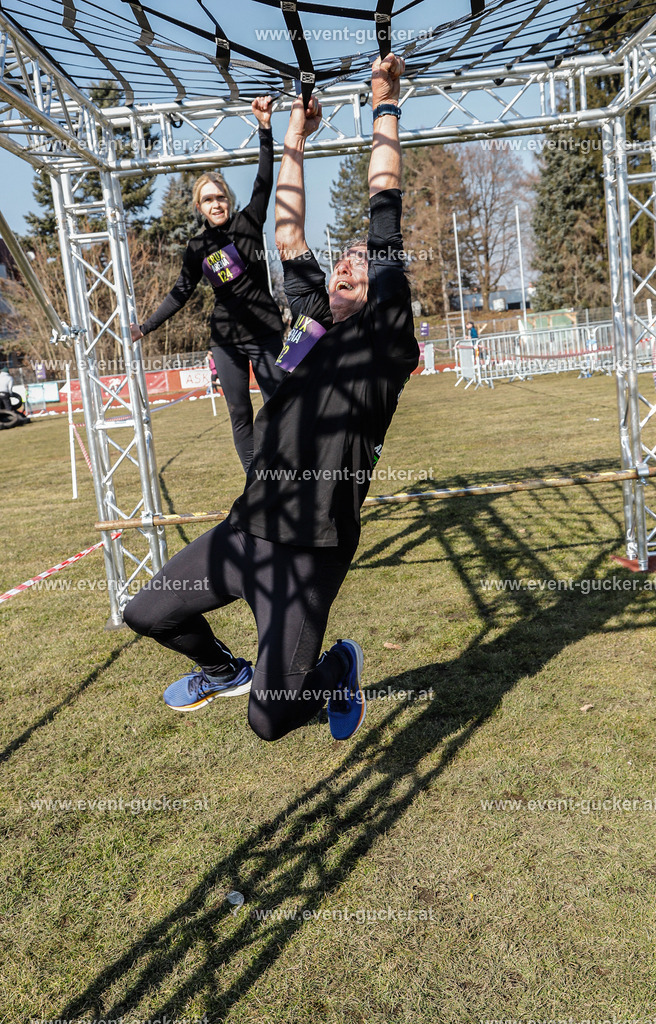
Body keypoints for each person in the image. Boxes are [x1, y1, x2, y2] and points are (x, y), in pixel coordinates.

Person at [123, 52, 419, 744]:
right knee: (147, 614)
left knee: (271, 718)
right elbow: (286, 231)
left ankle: (334, 667)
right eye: (342, 256)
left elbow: (384, 206)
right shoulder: (314, 320)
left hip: (311, 549)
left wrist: (385, 103)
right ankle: (223, 668)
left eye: (360, 259)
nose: (349, 260)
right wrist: (294, 134)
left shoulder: (386, 342)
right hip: (247, 528)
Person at [130, 98, 285, 471]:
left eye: (220, 197)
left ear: (228, 199)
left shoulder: (249, 222)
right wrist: (145, 327)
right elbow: (181, 292)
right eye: (207, 200)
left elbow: (264, 179)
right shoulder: (197, 247)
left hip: (265, 332)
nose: (215, 203)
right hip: (225, 340)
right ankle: (255, 483)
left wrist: (264, 128)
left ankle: (286, 471)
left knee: (280, 404)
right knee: (238, 413)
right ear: (199, 207)